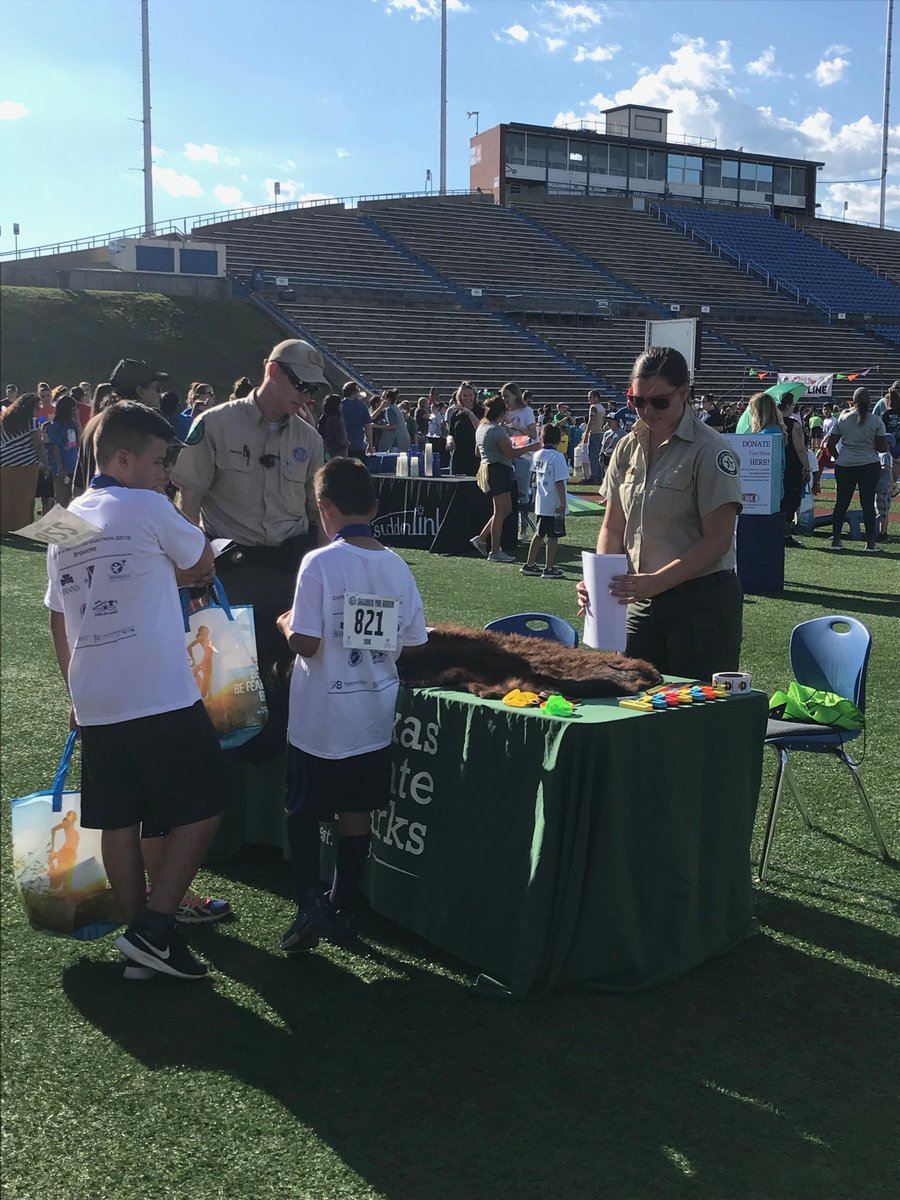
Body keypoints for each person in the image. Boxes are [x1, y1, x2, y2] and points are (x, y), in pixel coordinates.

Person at [45, 402, 228, 980]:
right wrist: (180, 532)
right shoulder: (149, 505)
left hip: (95, 693)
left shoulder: (63, 518)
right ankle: (154, 927)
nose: (165, 471)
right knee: (207, 802)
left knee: (117, 818)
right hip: (156, 689)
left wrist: (74, 691)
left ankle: (142, 943)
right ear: (123, 458)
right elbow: (201, 559)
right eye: (157, 460)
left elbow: (58, 616)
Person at [277, 458, 428, 952]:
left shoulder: (319, 562)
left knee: (303, 808)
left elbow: (307, 643)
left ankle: (308, 903)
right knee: (357, 809)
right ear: (375, 507)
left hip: (320, 714)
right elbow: (413, 644)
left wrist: (284, 624)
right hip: (372, 714)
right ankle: (342, 905)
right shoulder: (398, 566)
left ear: (324, 508)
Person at [169, 338, 327, 767]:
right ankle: (232, 795)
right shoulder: (215, 424)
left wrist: (325, 577)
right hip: (232, 575)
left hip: (290, 573)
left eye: (314, 389)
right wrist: (192, 567)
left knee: (290, 684)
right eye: (301, 385)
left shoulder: (310, 439)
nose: (307, 396)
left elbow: (318, 516)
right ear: (274, 372)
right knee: (232, 692)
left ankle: (279, 788)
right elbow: (190, 503)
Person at [577, 346, 744, 680]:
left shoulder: (710, 450)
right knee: (630, 703)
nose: (646, 410)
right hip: (639, 602)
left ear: (684, 393)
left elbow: (718, 541)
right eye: (636, 401)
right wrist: (600, 582)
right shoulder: (626, 446)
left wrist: (656, 583)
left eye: (659, 401)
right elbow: (612, 526)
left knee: (694, 714)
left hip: (701, 604)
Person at [74, 359, 167, 497]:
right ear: (140, 391)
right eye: (156, 389)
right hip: (127, 512)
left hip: (94, 510)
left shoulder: (93, 423)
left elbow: (77, 487)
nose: (160, 395)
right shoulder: (137, 426)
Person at [471, 394, 539, 564]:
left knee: (505, 509)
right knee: (500, 511)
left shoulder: (482, 427)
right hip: (498, 470)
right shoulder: (496, 430)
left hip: (491, 468)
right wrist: (532, 447)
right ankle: (494, 550)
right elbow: (510, 453)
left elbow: (477, 452)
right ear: (502, 412)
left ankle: (481, 538)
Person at [826, 387, 889, 552]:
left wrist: (840, 458)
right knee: (867, 503)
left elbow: (830, 444)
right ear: (869, 402)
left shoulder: (843, 418)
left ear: (852, 401)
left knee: (841, 502)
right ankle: (870, 543)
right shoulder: (875, 421)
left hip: (845, 464)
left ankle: (836, 540)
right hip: (868, 464)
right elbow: (882, 448)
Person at [521, 423, 568, 579]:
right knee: (553, 536)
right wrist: (563, 503)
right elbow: (559, 481)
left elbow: (534, 477)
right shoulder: (558, 457)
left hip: (542, 500)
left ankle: (530, 563)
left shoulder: (537, 454)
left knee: (539, 533)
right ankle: (549, 567)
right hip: (554, 502)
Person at [0, 393, 51, 534]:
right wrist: (46, 463)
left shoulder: (4, 419)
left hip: (4, 460)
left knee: (6, 494)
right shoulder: (32, 422)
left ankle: (4, 526)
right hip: (26, 462)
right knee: (24, 496)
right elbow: (38, 445)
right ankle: (22, 526)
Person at [502, 382, 538, 541]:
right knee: (507, 494)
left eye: (507, 396)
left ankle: (523, 529)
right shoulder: (504, 412)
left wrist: (517, 427)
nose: (505, 399)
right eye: (503, 396)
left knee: (522, 492)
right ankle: (509, 528)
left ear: (516, 395)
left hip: (523, 455)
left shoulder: (526, 411)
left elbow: (533, 434)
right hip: (507, 454)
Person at [778, 395, 811, 546]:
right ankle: (785, 534)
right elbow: (800, 449)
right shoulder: (792, 424)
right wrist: (807, 468)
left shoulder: (768, 423)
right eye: (792, 405)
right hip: (791, 467)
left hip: (775, 467)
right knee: (791, 499)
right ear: (787, 406)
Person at [45, 393, 82, 508]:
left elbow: (80, 441)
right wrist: (60, 467)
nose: (75, 411)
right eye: (73, 409)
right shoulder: (55, 426)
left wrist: (77, 419)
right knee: (62, 499)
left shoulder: (73, 423)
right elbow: (55, 447)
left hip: (74, 465)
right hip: (62, 466)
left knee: (75, 499)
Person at [447, 381, 481, 475]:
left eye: (470, 395)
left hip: (475, 457)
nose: (468, 398)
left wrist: (469, 413)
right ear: (460, 396)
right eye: (464, 395)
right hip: (458, 457)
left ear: (475, 395)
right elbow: (451, 433)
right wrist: (449, 441)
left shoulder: (481, 411)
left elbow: (481, 428)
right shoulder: (455, 413)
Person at [341, 381, 373, 462]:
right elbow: (368, 428)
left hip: (340, 445)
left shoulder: (339, 405)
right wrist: (370, 444)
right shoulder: (362, 407)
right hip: (357, 445)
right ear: (354, 393)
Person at [580, 394, 607, 483]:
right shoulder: (602, 408)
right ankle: (599, 476)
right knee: (598, 456)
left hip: (595, 433)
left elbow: (591, 421)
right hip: (600, 432)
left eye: (590, 397)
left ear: (596, 397)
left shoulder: (593, 407)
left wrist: (586, 433)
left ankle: (594, 476)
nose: (589, 399)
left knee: (593, 456)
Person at [375, 388, 410, 453]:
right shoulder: (395, 408)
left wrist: (378, 426)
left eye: (383, 398)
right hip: (402, 440)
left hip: (396, 442)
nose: (381, 399)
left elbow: (394, 426)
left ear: (388, 399)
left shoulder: (390, 410)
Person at [317, 393, 349, 460]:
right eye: (340, 404)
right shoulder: (336, 420)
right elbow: (342, 439)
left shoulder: (323, 418)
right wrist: (347, 443)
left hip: (326, 451)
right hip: (338, 453)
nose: (341, 406)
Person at [875, 434, 895, 541]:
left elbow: (885, 468)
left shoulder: (883, 455)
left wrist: (874, 469)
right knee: (885, 510)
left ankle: (882, 533)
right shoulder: (888, 454)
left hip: (882, 486)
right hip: (886, 485)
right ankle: (883, 532)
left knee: (880, 510)